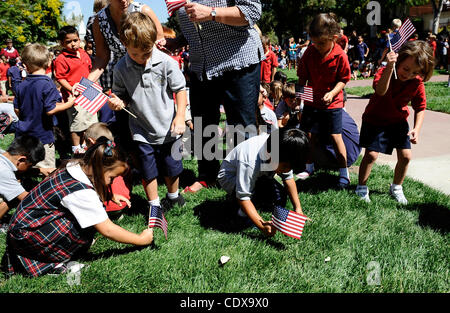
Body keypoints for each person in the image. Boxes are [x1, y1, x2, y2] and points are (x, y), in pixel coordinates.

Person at [2, 137, 154, 277]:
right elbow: (107, 229)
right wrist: (140, 239)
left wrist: (110, 196)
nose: (111, 183)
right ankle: (50, 263)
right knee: (86, 223)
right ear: (100, 168)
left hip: (22, 229)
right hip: (28, 239)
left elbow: (90, 184)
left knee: (86, 219)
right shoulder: (81, 193)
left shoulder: (74, 166)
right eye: (111, 178)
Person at [170, 0, 264, 194]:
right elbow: (199, 28)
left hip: (239, 59)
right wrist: (177, 41)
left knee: (240, 126)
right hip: (201, 65)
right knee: (203, 124)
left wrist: (211, 12)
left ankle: (245, 177)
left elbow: (252, 12)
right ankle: (208, 176)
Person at [108, 12, 187, 212]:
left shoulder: (167, 62)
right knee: (147, 169)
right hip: (141, 128)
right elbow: (120, 94)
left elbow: (180, 89)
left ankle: (173, 196)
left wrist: (179, 117)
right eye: (136, 54)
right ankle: (154, 204)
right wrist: (118, 102)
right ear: (124, 44)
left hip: (168, 126)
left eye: (147, 52)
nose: (142, 58)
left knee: (172, 166)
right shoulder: (120, 68)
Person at [355, 40, 434, 204]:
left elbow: (420, 106)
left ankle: (397, 187)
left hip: (398, 121)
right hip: (375, 119)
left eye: (415, 72)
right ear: (399, 59)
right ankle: (361, 187)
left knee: (406, 156)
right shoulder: (384, 71)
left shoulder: (416, 83)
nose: (409, 75)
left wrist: (416, 129)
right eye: (406, 69)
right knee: (371, 155)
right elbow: (381, 91)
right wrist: (390, 68)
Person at [217, 128, 310, 237]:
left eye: (290, 167)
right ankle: (240, 213)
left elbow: (288, 179)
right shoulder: (250, 160)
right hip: (230, 177)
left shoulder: (279, 149)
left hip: (260, 176)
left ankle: (255, 200)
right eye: (285, 166)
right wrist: (262, 226)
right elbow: (244, 197)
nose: (287, 170)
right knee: (251, 199)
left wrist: (298, 209)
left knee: (280, 197)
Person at [296, 13, 351, 189]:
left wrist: (333, 93)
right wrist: (300, 100)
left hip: (332, 103)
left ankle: (344, 173)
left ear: (333, 38)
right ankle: (309, 167)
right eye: (314, 42)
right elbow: (301, 79)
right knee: (308, 136)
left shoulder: (340, 55)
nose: (317, 46)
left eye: (321, 43)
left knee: (335, 136)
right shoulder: (309, 53)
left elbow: (344, 79)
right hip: (312, 101)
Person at [14, 43, 75, 175]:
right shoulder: (47, 84)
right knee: (47, 170)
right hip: (42, 136)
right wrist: (69, 104)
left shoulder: (21, 85)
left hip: (23, 135)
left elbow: (17, 110)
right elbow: (50, 109)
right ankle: (45, 192)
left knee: (24, 167)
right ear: (49, 62)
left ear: (25, 65)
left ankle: (26, 186)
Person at [54, 26, 98, 156]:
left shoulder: (83, 53)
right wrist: (71, 89)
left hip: (89, 91)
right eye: (68, 41)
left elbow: (90, 70)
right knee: (77, 122)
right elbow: (60, 78)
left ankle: (86, 145)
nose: (73, 44)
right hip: (75, 95)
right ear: (62, 43)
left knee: (90, 121)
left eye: (76, 40)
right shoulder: (61, 58)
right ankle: (76, 148)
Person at [84, 122, 131, 219]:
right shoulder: (118, 158)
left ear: (91, 142)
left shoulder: (91, 163)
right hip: (122, 201)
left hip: (105, 204)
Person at [0, 135, 45, 232]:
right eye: (30, 166)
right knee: (14, 197)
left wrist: (41, 170)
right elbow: (28, 199)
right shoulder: (3, 171)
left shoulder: (3, 155)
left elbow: (19, 169)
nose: (30, 168)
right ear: (21, 160)